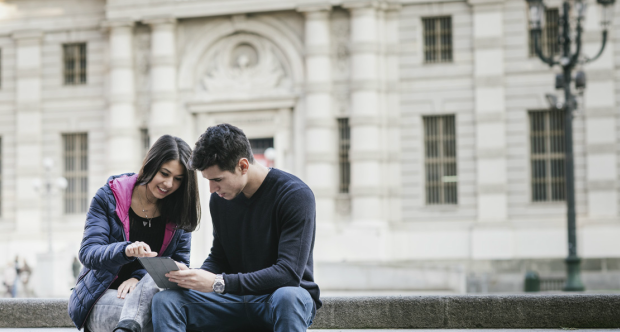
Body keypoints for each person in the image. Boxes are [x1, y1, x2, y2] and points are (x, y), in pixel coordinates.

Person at [152, 124, 321, 332]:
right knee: (167, 300)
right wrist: (194, 278)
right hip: (234, 300)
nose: (212, 189)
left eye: (217, 179)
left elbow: (288, 273)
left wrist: (218, 282)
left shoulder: (294, 195)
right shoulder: (221, 199)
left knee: (288, 297)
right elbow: (220, 256)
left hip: (279, 299)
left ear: (242, 166)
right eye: (208, 180)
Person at [68, 135, 201, 332]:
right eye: (164, 173)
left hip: (150, 296)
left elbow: (177, 267)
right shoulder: (109, 197)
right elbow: (88, 253)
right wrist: (126, 250)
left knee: (160, 302)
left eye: (178, 179)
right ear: (151, 165)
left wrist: (139, 278)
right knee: (155, 317)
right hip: (103, 296)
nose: (169, 184)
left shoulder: (179, 212)